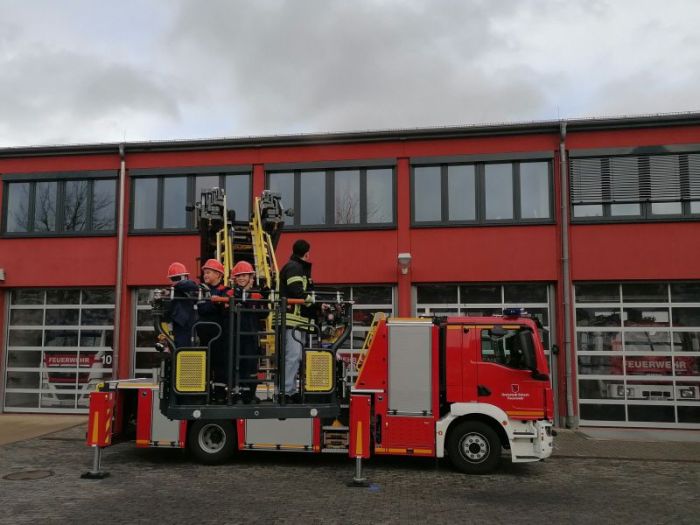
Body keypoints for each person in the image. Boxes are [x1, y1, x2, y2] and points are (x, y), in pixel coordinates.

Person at [278, 239, 315, 402]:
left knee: (297, 356)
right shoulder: (295, 268)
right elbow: (297, 291)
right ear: (306, 253)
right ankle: (286, 391)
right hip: (291, 321)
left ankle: (290, 390)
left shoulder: (296, 267)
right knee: (293, 356)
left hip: (296, 321)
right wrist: (313, 300)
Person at [230, 260, 267, 403]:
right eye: (238, 276)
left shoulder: (256, 295)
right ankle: (236, 395)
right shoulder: (230, 294)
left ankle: (250, 396)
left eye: (244, 275)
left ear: (251, 278)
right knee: (236, 365)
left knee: (251, 367)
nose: (241, 278)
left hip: (251, 337)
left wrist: (266, 298)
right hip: (235, 336)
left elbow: (264, 315)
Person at [196, 258, 232, 384]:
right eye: (204, 273)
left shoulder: (226, 291)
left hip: (220, 334)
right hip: (203, 335)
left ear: (218, 274)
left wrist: (218, 302)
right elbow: (202, 309)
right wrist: (216, 303)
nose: (205, 275)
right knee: (204, 364)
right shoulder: (202, 290)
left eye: (208, 272)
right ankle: (205, 391)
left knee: (220, 363)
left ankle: (220, 393)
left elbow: (225, 311)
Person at [166, 262, 198, 349]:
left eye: (176, 278)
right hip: (178, 326)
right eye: (173, 279)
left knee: (184, 348)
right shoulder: (173, 292)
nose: (174, 281)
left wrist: (177, 284)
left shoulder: (188, 287)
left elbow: (190, 285)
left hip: (186, 325)